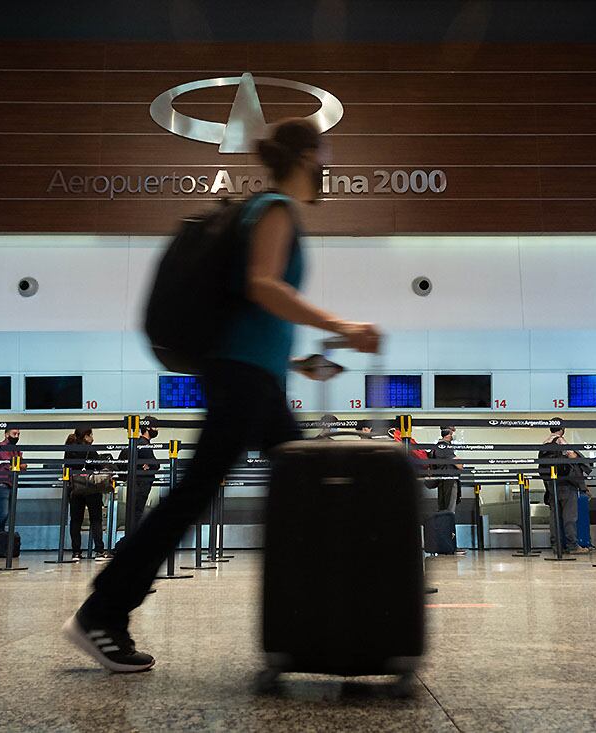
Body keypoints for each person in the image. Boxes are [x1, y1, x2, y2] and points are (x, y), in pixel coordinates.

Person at [63, 118, 381, 673]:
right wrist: (343, 324)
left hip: (255, 375)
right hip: (242, 379)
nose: (329, 162)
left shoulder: (268, 209)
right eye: (325, 152)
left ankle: (324, 610)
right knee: (201, 493)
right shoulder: (276, 207)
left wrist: (293, 359)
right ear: (307, 156)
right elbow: (263, 284)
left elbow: (250, 311)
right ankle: (104, 611)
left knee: (300, 486)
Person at [538, 422, 589, 555]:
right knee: (569, 517)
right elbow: (572, 456)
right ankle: (572, 546)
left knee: (554, 516)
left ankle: (556, 546)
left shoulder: (544, 444)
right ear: (562, 429)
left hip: (551, 485)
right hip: (566, 484)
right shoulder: (561, 441)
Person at [65, 427, 109, 561]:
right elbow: (101, 467)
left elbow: (66, 468)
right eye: (91, 435)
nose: (93, 438)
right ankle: (99, 551)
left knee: (76, 521)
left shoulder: (69, 450)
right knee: (95, 519)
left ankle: (76, 552)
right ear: (86, 436)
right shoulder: (91, 450)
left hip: (75, 489)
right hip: (91, 489)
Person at [430, 427, 466, 556]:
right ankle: (451, 547)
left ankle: (443, 545)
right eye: (453, 433)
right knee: (450, 514)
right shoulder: (445, 447)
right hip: (450, 482)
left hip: (441, 483)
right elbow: (459, 465)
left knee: (443, 512)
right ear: (449, 434)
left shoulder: (435, 449)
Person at [0, 426, 23, 531]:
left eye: (18, 434)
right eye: (14, 434)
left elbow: (20, 466)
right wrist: (18, 465)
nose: (17, 436)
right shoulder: (1, 447)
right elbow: (11, 464)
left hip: (10, 484)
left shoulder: (16, 450)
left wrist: (18, 466)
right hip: (0, 483)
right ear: (6, 434)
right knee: (3, 514)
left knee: (6, 515)